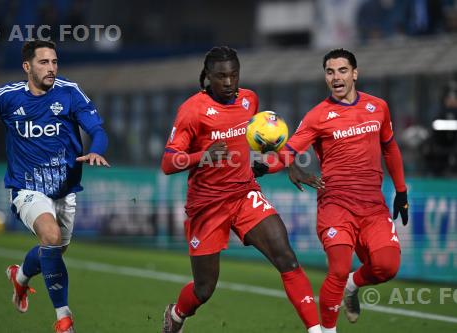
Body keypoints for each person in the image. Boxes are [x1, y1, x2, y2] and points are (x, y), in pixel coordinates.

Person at [160, 46, 322, 333]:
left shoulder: (249, 100)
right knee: (204, 289)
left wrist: (287, 161)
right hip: (207, 206)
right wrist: (204, 155)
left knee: (286, 256)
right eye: (221, 76)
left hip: (244, 193)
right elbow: (169, 162)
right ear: (207, 76)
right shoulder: (192, 111)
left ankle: (317, 330)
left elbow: (265, 135)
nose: (229, 82)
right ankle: (176, 314)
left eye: (234, 75)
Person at [0, 40, 110, 333]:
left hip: (65, 189)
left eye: (54, 62)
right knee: (50, 236)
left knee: (55, 249)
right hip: (26, 187)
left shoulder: (70, 92)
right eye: (44, 62)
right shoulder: (9, 96)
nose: (51, 68)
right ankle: (64, 319)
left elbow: (96, 129)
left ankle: (20, 277)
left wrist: (97, 149)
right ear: (27, 67)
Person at [266, 48, 409, 333]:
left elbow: (390, 148)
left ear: (355, 73)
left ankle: (354, 285)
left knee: (387, 266)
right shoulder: (317, 116)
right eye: (330, 72)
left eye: (342, 71)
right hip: (335, 205)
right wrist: (261, 167)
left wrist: (401, 192)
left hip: (372, 205)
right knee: (338, 268)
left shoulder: (377, 107)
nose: (336, 77)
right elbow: (290, 151)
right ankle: (328, 331)